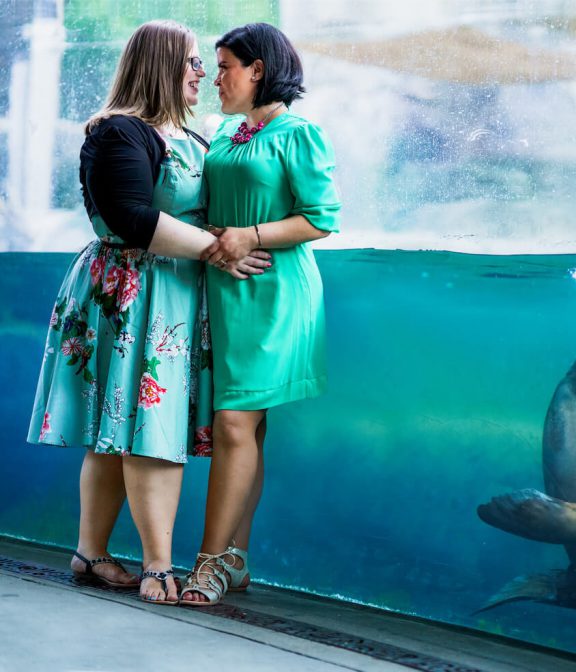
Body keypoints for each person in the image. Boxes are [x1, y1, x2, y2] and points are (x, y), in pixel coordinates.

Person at [25, 20, 271, 605]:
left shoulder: (190, 135)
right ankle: (158, 564)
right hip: (135, 293)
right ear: (160, 65)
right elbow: (133, 218)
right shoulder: (119, 132)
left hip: (172, 294)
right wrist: (220, 250)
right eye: (190, 62)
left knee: (119, 430)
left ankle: (91, 552)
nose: (201, 73)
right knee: (148, 430)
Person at [179, 23, 341, 606]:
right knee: (245, 428)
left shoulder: (299, 133)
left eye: (225, 66)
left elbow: (320, 218)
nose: (214, 77)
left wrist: (247, 235)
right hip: (222, 289)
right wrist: (213, 243)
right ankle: (235, 559)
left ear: (259, 71)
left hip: (274, 294)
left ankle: (205, 565)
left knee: (234, 425)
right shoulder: (224, 134)